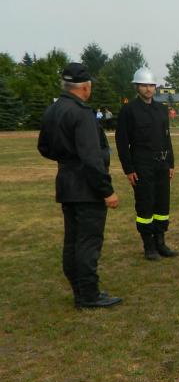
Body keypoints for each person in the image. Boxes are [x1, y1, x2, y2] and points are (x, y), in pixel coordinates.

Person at [37, 63, 122, 308]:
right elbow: (92, 159)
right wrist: (107, 191)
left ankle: (79, 289)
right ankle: (89, 294)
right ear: (85, 87)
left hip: (66, 183)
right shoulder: (81, 113)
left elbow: (44, 147)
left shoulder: (53, 110)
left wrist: (66, 159)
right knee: (88, 242)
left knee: (72, 240)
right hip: (86, 188)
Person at [115, 68, 178, 261]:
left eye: (151, 85)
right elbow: (121, 142)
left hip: (162, 165)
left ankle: (160, 242)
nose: (148, 89)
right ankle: (148, 246)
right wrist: (129, 169)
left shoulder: (161, 109)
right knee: (145, 205)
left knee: (162, 205)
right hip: (142, 165)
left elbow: (167, 138)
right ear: (137, 87)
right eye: (144, 85)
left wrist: (171, 163)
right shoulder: (129, 110)